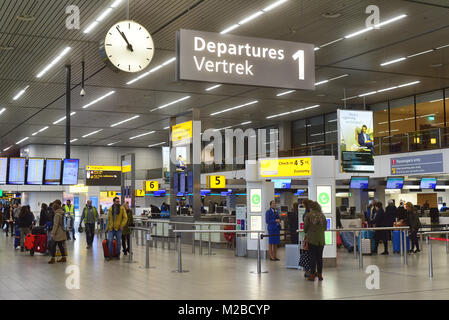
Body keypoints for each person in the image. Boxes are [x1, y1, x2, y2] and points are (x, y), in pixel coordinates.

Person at [304, 201, 327, 281]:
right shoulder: (322, 215)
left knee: (312, 257)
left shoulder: (309, 215)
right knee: (319, 258)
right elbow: (325, 228)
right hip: (321, 239)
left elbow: (305, 228)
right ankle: (320, 274)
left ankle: (312, 275)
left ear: (311, 207)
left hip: (312, 239)